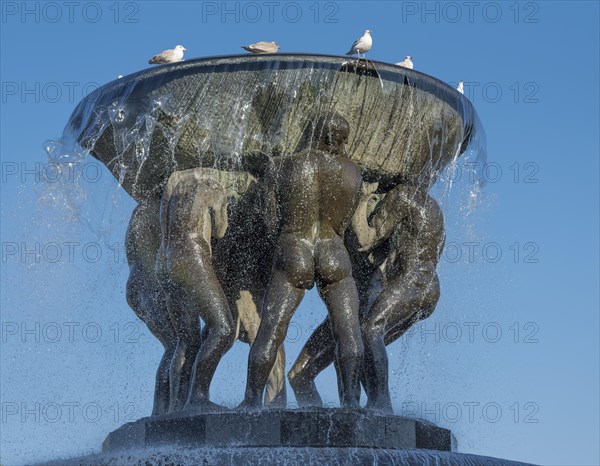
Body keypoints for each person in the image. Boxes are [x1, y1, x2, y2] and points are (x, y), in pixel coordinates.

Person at [241, 111, 364, 409]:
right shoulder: (353, 173)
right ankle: (350, 403)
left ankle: (250, 403)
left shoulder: (283, 166)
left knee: (271, 328)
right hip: (334, 252)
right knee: (348, 331)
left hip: (294, 249)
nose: (343, 146)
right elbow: (344, 225)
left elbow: (271, 222)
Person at [288, 182, 445, 414]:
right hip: (423, 289)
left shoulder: (401, 196)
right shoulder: (432, 208)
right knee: (300, 375)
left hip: (413, 282)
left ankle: (381, 403)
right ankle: (321, 428)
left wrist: (363, 198)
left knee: (369, 330)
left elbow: (365, 239)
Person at [156, 169, 234, 412]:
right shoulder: (213, 184)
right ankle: (198, 397)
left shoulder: (174, 180)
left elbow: (163, 223)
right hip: (192, 257)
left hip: (165, 260)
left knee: (186, 340)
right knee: (223, 328)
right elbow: (221, 230)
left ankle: (177, 407)